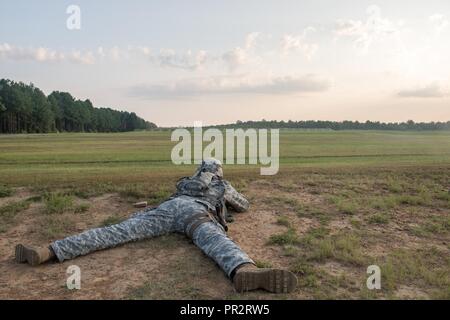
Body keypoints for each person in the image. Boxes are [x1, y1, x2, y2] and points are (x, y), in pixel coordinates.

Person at [15, 158, 297, 293]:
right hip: (194, 214)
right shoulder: (222, 184)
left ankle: (48, 251)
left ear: (200, 170)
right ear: (218, 172)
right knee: (215, 240)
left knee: (114, 232)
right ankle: (242, 269)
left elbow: (173, 198)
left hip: (167, 210)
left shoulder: (187, 180)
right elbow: (243, 205)